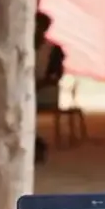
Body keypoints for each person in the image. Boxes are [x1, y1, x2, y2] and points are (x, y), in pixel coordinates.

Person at [34, 11, 65, 164]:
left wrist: (38, 84)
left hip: (45, 92)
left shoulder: (54, 50)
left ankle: (35, 144)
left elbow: (55, 76)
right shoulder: (20, 47)